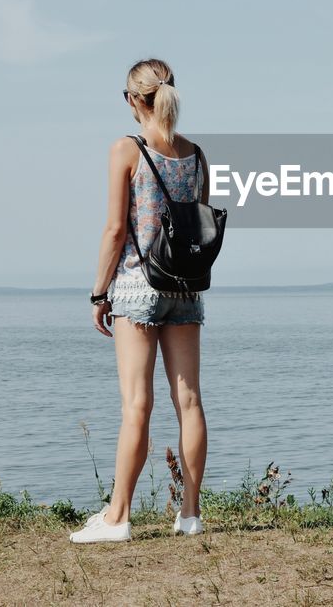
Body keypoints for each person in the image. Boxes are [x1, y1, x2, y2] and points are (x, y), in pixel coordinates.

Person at [71, 58, 210, 544]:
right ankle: (190, 515)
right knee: (188, 400)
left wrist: (98, 292)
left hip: (137, 286)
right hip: (187, 288)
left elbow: (115, 230)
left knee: (137, 405)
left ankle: (117, 519)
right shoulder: (195, 155)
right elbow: (200, 225)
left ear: (134, 100)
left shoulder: (126, 149)